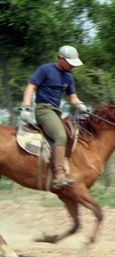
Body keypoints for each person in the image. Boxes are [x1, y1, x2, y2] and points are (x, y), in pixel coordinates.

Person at [19, 45, 88, 189]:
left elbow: (72, 97)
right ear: (61, 59)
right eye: (70, 62)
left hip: (56, 112)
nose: (72, 66)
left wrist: (81, 105)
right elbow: (31, 87)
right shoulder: (45, 69)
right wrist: (26, 106)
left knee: (73, 134)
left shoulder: (68, 77)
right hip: (43, 110)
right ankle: (59, 175)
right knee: (61, 136)